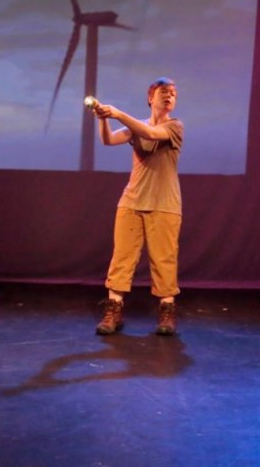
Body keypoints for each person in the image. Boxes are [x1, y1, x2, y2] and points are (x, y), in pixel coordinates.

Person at [90, 78, 184, 336]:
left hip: (165, 204)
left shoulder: (175, 126)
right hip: (131, 202)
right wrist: (103, 117)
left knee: (164, 260)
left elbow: (152, 134)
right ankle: (113, 310)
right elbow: (108, 140)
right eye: (164, 92)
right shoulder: (137, 126)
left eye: (173, 93)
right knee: (122, 258)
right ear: (150, 97)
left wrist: (117, 113)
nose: (169, 96)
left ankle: (166, 313)